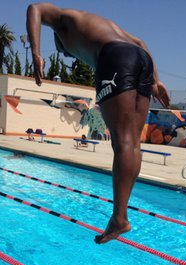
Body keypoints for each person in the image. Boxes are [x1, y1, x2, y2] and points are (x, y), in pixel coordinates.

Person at [26, 3, 170, 244]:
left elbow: (34, 8)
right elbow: (142, 43)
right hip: (142, 58)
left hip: (115, 57)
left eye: (63, 52)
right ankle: (121, 214)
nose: (67, 55)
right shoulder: (100, 25)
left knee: (122, 142)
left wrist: (36, 54)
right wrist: (156, 80)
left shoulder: (63, 20)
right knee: (133, 143)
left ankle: (119, 218)